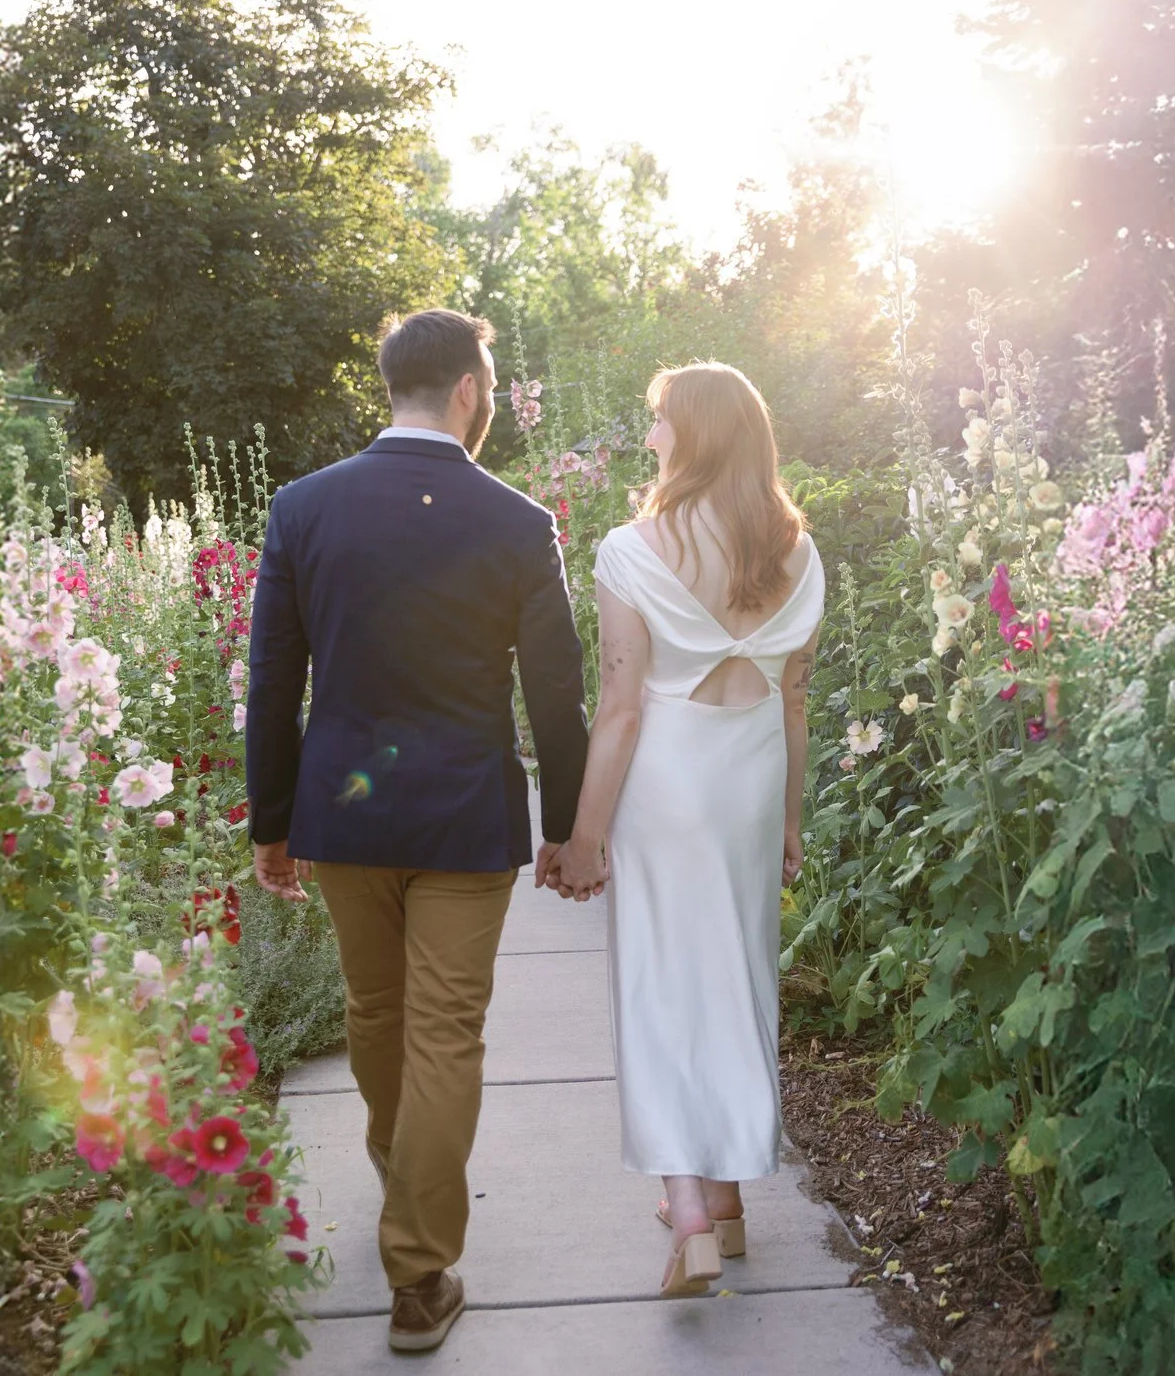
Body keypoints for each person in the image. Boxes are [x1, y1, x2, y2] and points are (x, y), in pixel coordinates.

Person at [244, 308, 591, 1353]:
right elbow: (557, 691)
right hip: (464, 816)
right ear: (471, 392)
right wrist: (566, 826)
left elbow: (272, 680)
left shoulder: (303, 509)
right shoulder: (518, 522)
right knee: (445, 1033)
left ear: (391, 385)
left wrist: (272, 819)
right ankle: (419, 1267)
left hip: (342, 817)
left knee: (376, 1016)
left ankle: (411, 1205)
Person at [547, 362, 823, 1299]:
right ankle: (733, 1202)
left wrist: (585, 841)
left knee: (661, 984)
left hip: (667, 783)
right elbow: (794, 701)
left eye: (660, 420)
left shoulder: (633, 549)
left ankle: (691, 1216)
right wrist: (789, 819)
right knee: (739, 975)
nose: (651, 435)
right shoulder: (797, 553)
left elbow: (620, 708)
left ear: (695, 434)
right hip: (751, 782)